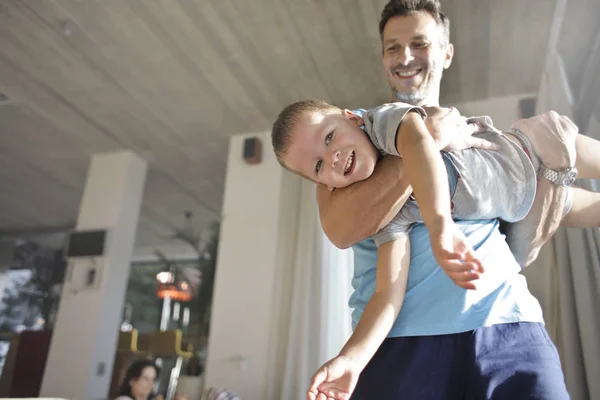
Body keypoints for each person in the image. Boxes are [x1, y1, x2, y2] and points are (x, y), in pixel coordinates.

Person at [296, 0, 594, 398]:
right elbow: (340, 228)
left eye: (419, 43)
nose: (405, 57)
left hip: (508, 326)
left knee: (552, 141)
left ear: (446, 53)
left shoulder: (473, 137)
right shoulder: (351, 137)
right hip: (402, 342)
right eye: (392, 47)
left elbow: (555, 203)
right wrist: (426, 141)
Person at [272, 98, 600, 399]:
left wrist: (440, 223)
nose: (333, 157)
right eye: (318, 165)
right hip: (531, 205)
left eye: (329, 138)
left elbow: (417, 142)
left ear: (352, 118)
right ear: (325, 186)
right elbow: (387, 293)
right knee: (578, 207)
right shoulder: (384, 215)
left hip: (517, 155)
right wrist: (351, 359)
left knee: (563, 142)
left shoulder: (382, 122)